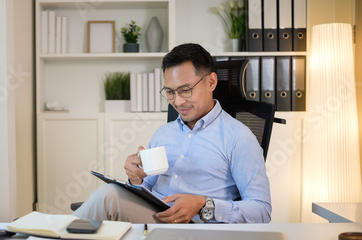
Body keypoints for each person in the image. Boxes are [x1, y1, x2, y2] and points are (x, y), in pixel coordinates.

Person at [73, 43, 271, 223]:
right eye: (170, 92)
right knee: (112, 195)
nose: (177, 102)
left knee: (109, 197)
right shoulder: (163, 133)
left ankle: (53, 238)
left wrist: (204, 204)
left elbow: (262, 211)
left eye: (185, 90)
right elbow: (146, 189)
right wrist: (136, 178)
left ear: (211, 82)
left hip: (194, 229)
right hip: (153, 218)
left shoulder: (239, 137)